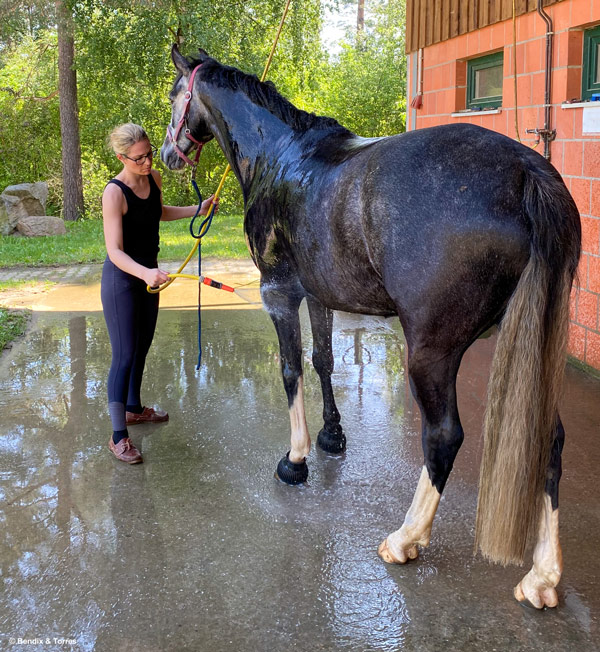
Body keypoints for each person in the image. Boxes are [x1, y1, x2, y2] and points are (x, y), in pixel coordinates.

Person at [102, 122, 217, 464]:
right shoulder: (114, 193)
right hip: (123, 280)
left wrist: (198, 209)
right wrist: (146, 273)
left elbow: (157, 213)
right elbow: (115, 251)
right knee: (123, 355)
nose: (148, 162)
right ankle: (118, 436)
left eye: (150, 153)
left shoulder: (154, 180)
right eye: (139, 158)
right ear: (122, 157)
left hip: (149, 279)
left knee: (142, 347)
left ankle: (134, 409)